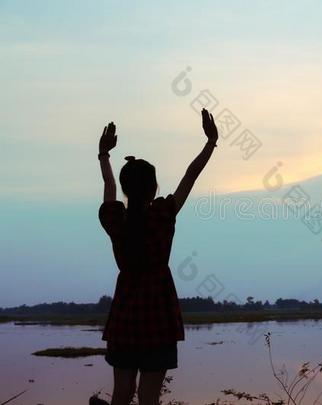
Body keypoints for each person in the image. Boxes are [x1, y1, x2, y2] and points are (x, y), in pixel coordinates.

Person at [93, 109, 218, 405]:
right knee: (149, 398)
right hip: (158, 317)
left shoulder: (115, 220)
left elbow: (109, 188)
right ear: (154, 187)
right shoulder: (163, 214)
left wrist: (103, 154)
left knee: (121, 395)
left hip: (125, 316)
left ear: (126, 189)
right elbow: (191, 174)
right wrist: (211, 141)